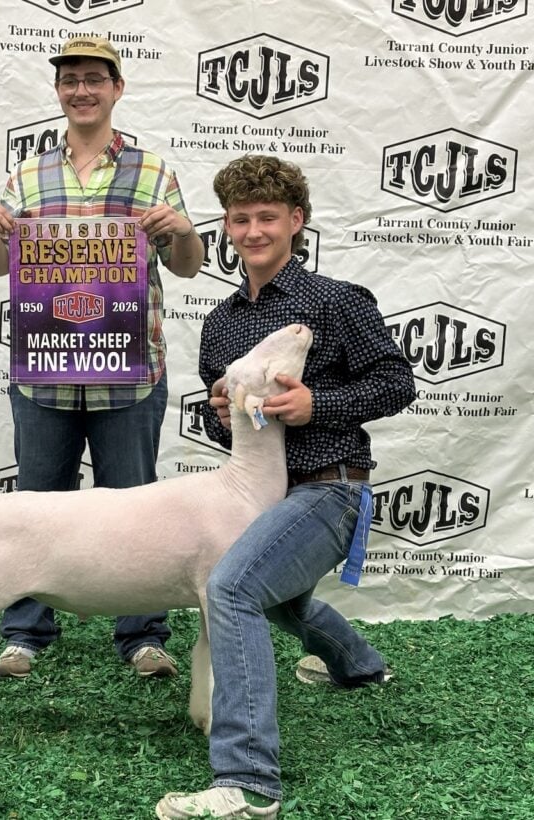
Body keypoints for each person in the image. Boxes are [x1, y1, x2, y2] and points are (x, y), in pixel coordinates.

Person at [155, 155, 416, 819]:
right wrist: (220, 417)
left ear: (296, 221)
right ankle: (360, 665)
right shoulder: (221, 323)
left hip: (330, 488)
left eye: (267, 217)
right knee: (279, 597)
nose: (253, 231)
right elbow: (228, 426)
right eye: (240, 218)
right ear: (226, 227)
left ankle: (249, 784)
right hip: (256, 497)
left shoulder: (336, 300)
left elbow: (396, 383)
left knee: (233, 587)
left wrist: (316, 405)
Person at [0, 35, 204, 680]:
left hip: (129, 376)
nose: (81, 90)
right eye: (70, 79)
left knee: (138, 515)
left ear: (117, 88)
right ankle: (24, 633)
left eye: (94, 79)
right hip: (44, 374)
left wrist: (183, 232)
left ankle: (142, 636)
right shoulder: (28, 176)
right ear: (58, 91)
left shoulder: (154, 172)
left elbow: (187, 267)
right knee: (35, 509)